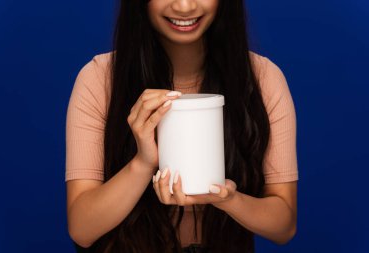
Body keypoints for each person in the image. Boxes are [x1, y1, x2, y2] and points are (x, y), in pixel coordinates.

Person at [65, 0, 298, 252]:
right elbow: (82, 228)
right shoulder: (99, 80)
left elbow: (284, 226)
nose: (185, 6)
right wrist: (143, 163)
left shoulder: (262, 80)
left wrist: (230, 200)